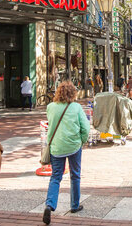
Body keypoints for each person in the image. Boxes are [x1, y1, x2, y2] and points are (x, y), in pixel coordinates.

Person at [43, 81, 90, 225]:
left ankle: (49, 204)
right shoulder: (76, 107)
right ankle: (74, 205)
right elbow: (85, 127)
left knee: (55, 177)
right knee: (75, 175)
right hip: (74, 145)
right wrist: (82, 141)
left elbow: (50, 127)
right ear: (73, 93)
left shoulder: (50, 107)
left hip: (56, 146)